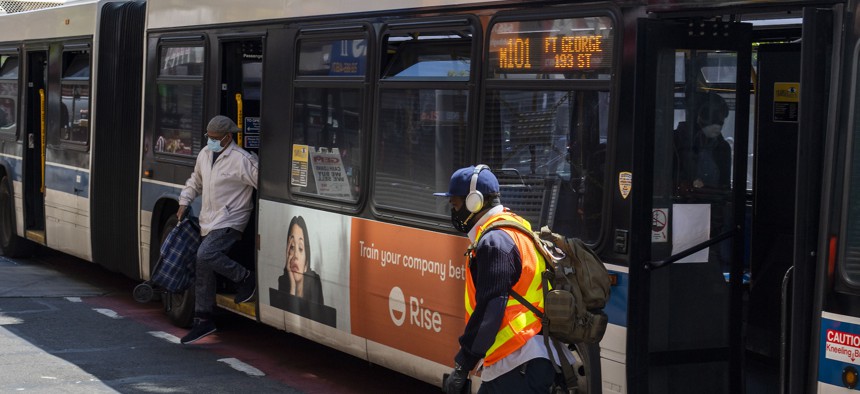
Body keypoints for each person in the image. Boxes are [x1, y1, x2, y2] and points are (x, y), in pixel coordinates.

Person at [436, 165, 573, 394]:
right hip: (528, 359)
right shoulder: (515, 227)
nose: (453, 212)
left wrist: (463, 365)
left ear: (475, 203)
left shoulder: (495, 243)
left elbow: (491, 308)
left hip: (518, 362)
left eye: (456, 205)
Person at [178, 115, 259, 345]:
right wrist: (185, 200)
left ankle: (245, 278)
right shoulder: (204, 154)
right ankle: (202, 319)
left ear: (228, 137)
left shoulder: (242, 159)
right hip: (209, 220)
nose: (211, 141)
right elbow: (196, 181)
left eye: (215, 138)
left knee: (205, 254)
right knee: (202, 265)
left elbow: (263, 181)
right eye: (209, 137)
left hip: (231, 219)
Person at [674, 92, 732, 195]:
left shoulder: (723, 148)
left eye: (721, 120)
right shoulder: (676, 142)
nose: (718, 125)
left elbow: (725, 187)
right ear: (697, 117)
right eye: (712, 117)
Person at [277, 215, 324, 304]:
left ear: (306, 262)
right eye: (292, 247)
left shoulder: (314, 281)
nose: (295, 255)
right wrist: (292, 288)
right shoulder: (283, 280)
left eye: (301, 248)